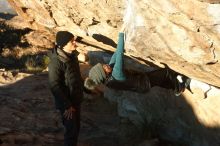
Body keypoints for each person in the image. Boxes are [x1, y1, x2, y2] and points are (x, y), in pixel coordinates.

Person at [84, 32, 191, 96]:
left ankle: (175, 87)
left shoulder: (108, 78)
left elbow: (115, 55)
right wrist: (121, 36)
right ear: (104, 75)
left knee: (161, 80)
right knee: (165, 73)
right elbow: (120, 54)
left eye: (103, 65)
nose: (105, 65)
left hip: (141, 83)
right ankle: (179, 88)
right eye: (104, 68)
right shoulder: (116, 75)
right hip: (144, 83)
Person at [48, 31, 84, 146]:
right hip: (67, 105)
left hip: (75, 100)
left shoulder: (72, 57)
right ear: (63, 44)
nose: (75, 43)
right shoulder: (56, 62)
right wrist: (67, 105)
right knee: (71, 133)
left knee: (76, 129)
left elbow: (76, 78)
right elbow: (54, 85)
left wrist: (86, 89)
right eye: (71, 41)